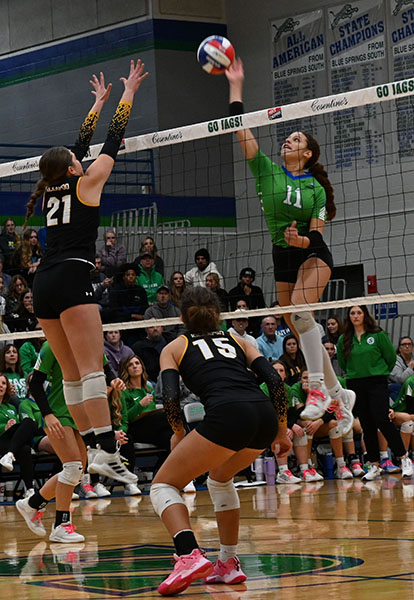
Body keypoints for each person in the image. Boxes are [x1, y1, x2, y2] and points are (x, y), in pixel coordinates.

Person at [27, 62, 148, 485]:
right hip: (74, 276)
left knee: (74, 375)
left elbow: (77, 147)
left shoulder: (48, 190)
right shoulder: (87, 181)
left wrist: (96, 103)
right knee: (90, 369)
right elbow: (112, 141)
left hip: (42, 284)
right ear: (74, 168)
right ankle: (106, 450)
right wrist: (128, 93)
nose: (82, 159)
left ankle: (97, 448)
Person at [225, 57, 353, 422]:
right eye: (287, 137)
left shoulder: (316, 190)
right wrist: (236, 86)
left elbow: (316, 238)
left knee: (299, 309)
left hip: (313, 255)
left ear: (307, 153)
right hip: (281, 253)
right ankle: (339, 393)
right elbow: (241, 129)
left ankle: (316, 388)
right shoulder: (265, 170)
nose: (287, 140)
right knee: (298, 322)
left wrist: (300, 241)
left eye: (295, 139)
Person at [149, 287, 291, 595]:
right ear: (218, 315)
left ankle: (188, 554)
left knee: (163, 485)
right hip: (263, 413)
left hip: (228, 414)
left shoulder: (174, 346)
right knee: (220, 478)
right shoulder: (238, 340)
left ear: (183, 317)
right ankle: (227, 563)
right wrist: (281, 430)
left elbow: (170, 398)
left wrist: (178, 433)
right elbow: (275, 381)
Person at [337, 305, 414, 481]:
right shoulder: (344, 339)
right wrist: (356, 373)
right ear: (349, 317)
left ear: (365, 315)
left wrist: (377, 371)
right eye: (352, 313)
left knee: (382, 419)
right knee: (366, 424)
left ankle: (404, 459)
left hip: (377, 381)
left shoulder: (378, 334)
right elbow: (342, 362)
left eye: (359, 312)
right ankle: (374, 465)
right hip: (356, 383)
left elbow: (390, 358)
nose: (356, 316)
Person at [116, 354, 173, 456]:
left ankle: (162, 470)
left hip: (152, 428)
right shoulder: (123, 390)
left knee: (170, 438)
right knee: (168, 415)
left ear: (142, 366)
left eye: (137, 363)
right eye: (130, 365)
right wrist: (140, 405)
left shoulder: (149, 388)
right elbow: (125, 418)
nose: (135, 366)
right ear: (125, 370)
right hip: (135, 428)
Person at [0, 374, 37, 496]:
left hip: (11, 440)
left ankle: (30, 489)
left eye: (4, 383)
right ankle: (10, 454)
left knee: (29, 424)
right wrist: (4, 427)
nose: (1, 385)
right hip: (1, 439)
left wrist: (13, 424)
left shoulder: (10, 407)